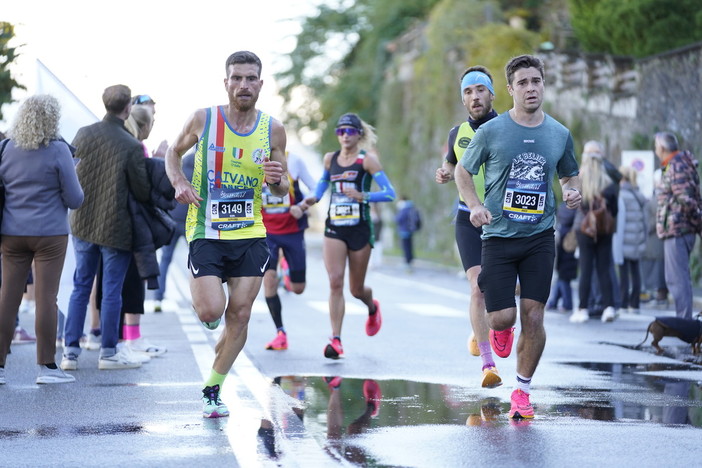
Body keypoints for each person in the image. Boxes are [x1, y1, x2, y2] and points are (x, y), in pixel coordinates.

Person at [455, 54, 581, 419]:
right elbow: (463, 172)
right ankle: (498, 331)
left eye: (536, 81)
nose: (531, 88)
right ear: (509, 90)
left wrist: (572, 191)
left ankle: (522, 392)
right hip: (498, 236)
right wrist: (475, 206)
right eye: (523, 83)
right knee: (502, 318)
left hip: (540, 236)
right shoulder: (491, 132)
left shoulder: (559, 133)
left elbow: (569, 175)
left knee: (535, 315)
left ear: (544, 84)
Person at [165, 51, 289, 418]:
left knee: (240, 315)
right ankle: (207, 309)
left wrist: (277, 180)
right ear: (226, 82)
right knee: (210, 311)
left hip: (250, 231)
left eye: (251, 78)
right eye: (237, 78)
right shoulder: (204, 119)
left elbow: (282, 189)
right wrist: (179, 181)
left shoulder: (274, 129)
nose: (244, 85)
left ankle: (213, 388)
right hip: (206, 229)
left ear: (261, 84)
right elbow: (172, 152)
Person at [61, 84, 151, 371]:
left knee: (80, 286)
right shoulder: (130, 144)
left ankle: (70, 352)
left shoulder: (84, 134)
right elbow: (141, 190)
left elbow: (71, 171)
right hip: (115, 226)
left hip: (83, 221)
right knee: (112, 290)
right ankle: (109, 352)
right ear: (127, 109)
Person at [0, 95, 84, 384]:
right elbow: (75, 199)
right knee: (46, 298)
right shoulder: (59, 150)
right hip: (49, 234)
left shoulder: (6, 148)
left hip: (11, 233)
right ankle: (46, 367)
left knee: (8, 296)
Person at [302, 113, 396, 359]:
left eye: (350, 131)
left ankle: (371, 305)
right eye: (340, 131)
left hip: (360, 228)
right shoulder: (330, 159)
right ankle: (336, 339)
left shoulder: (368, 161)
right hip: (335, 227)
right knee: (335, 281)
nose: (344, 136)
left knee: (355, 289)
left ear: (359, 134)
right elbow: (323, 183)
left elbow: (389, 193)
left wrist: (364, 196)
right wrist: (314, 197)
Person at [434, 66, 502, 388]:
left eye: (480, 90)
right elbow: (450, 161)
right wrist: (445, 172)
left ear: (492, 94)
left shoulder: (508, 127)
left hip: (503, 219)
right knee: (477, 287)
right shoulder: (456, 133)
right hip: (467, 217)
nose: (474, 96)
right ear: (463, 98)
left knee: (504, 289)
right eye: (468, 91)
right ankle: (488, 364)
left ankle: (490, 328)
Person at [261, 151, 316, 351]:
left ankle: (286, 273)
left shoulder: (294, 160)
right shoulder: (252, 159)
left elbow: (316, 187)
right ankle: (280, 333)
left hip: (293, 231)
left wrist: (302, 206)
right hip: (266, 232)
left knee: (298, 288)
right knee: (268, 281)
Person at [569, 141, 619, 324]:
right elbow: (614, 210)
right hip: (605, 229)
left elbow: (572, 205)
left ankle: (582, 309)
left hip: (584, 229)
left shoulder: (579, 181)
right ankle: (609, 307)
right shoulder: (608, 183)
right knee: (604, 268)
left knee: (586, 269)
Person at [654, 132, 702, 320]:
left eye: (656, 146)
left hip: (678, 229)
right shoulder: (678, 164)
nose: (656, 150)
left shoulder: (677, 165)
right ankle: (684, 320)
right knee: (676, 278)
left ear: (663, 148)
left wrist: (693, 223)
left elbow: (687, 200)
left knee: (677, 279)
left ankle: (685, 322)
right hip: (679, 229)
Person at [154, 149, 195, 312]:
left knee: (165, 260)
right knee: (196, 262)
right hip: (190, 222)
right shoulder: (203, 169)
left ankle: (158, 297)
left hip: (172, 219)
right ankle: (197, 300)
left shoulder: (179, 167)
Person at [612, 166, 648, 313]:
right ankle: (635, 303)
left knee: (624, 272)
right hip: (637, 240)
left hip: (625, 240)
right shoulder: (639, 195)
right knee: (636, 272)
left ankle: (623, 302)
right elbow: (645, 221)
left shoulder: (621, 195)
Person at [546, 201, 578, 313]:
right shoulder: (578, 208)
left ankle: (564, 303)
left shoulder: (562, 207)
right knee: (564, 277)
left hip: (563, 244)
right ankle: (557, 302)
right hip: (571, 244)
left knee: (563, 277)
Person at [395, 195, 421, 272]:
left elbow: (398, 219)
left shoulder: (404, 209)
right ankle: (410, 260)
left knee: (406, 247)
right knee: (409, 246)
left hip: (404, 230)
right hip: (410, 230)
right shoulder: (411, 207)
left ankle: (407, 262)